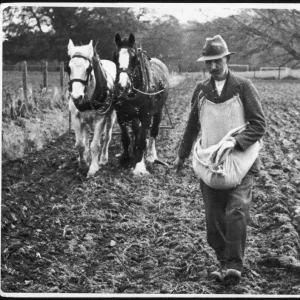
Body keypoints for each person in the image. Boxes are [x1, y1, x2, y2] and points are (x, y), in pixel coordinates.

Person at [173, 35, 266, 283]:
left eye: (217, 60)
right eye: (208, 62)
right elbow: (192, 126)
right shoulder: (202, 90)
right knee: (213, 219)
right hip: (211, 163)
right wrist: (181, 156)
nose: (213, 66)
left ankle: (234, 266)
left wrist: (235, 142)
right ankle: (223, 262)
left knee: (236, 212)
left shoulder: (243, 86)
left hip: (242, 163)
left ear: (227, 59)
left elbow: (259, 125)